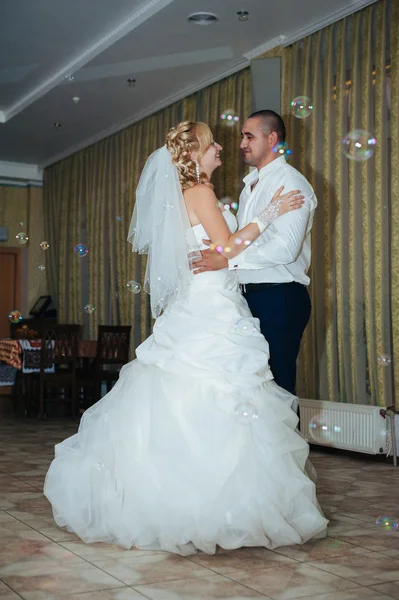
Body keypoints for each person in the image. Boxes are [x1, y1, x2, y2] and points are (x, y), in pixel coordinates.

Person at [44, 121, 327, 556]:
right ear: (194, 154)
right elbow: (226, 248)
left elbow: (218, 253)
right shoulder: (200, 193)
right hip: (211, 306)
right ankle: (221, 505)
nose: (221, 148)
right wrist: (267, 215)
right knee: (220, 393)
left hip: (205, 302)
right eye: (212, 143)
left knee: (191, 392)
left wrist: (232, 244)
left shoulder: (183, 196)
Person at [194, 110, 317, 395]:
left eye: (249, 136)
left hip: (279, 296)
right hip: (246, 297)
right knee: (253, 390)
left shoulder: (291, 183)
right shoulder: (249, 186)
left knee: (278, 388)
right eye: (241, 136)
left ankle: (288, 441)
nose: (241, 144)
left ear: (272, 138)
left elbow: (286, 249)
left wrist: (227, 259)